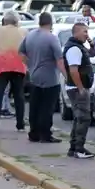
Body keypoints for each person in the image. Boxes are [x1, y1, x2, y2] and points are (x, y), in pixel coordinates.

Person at [21, 13, 63, 143]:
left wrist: (29, 65)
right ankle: (45, 134)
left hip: (34, 76)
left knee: (35, 106)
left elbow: (21, 52)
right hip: (50, 77)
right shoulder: (52, 38)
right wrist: (66, 76)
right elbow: (59, 59)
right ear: (51, 23)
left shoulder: (30, 35)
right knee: (47, 107)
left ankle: (34, 133)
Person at [63, 21, 95, 160]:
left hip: (77, 88)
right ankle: (79, 148)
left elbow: (92, 54)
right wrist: (81, 88)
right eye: (84, 32)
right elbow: (73, 70)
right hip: (77, 89)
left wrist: (92, 44)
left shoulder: (79, 47)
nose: (86, 35)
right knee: (84, 118)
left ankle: (74, 148)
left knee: (79, 118)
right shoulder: (74, 49)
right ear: (76, 32)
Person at [0, 11, 27, 131]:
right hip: (19, 65)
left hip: (2, 66)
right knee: (19, 96)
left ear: (5, 20)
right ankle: (20, 124)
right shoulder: (23, 31)